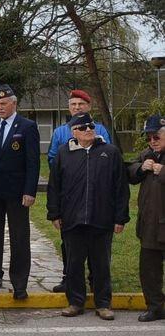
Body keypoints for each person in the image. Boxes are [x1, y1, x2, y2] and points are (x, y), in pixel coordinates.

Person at [47, 112, 129, 320]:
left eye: (91, 126)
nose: (88, 130)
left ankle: (103, 304)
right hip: (72, 220)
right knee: (74, 264)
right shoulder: (64, 154)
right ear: (74, 131)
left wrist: (120, 218)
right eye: (83, 128)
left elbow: (121, 187)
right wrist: (54, 213)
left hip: (101, 219)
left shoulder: (110, 153)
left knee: (101, 264)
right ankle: (75, 302)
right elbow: (54, 187)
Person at [47, 89, 114, 293]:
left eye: (81, 104)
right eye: (73, 104)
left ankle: (96, 279)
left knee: (98, 245)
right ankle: (69, 278)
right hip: (70, 195)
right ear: (69, 107)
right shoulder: (60, 132)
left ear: (89, 106)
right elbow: (52, 158)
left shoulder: (100, 129)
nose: (77, 107)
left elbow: (108, 160)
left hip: (96, 195)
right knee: (69, 242)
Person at [0, 85, 40, 301]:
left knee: (19, 239)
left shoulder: (27, 126)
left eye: (4, 103)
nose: (0, 107)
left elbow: (33, 162)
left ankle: (20, 283)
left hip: (17, 193)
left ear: (14, 103)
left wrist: (30, 190)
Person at [127, 115, 165, 322]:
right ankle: (155, 306)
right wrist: (141, 168)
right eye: (149, 138)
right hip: (150, 224)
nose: (152, 141)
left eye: (156, 137)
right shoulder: (146, 155)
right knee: (149, 270)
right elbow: (129, 173)